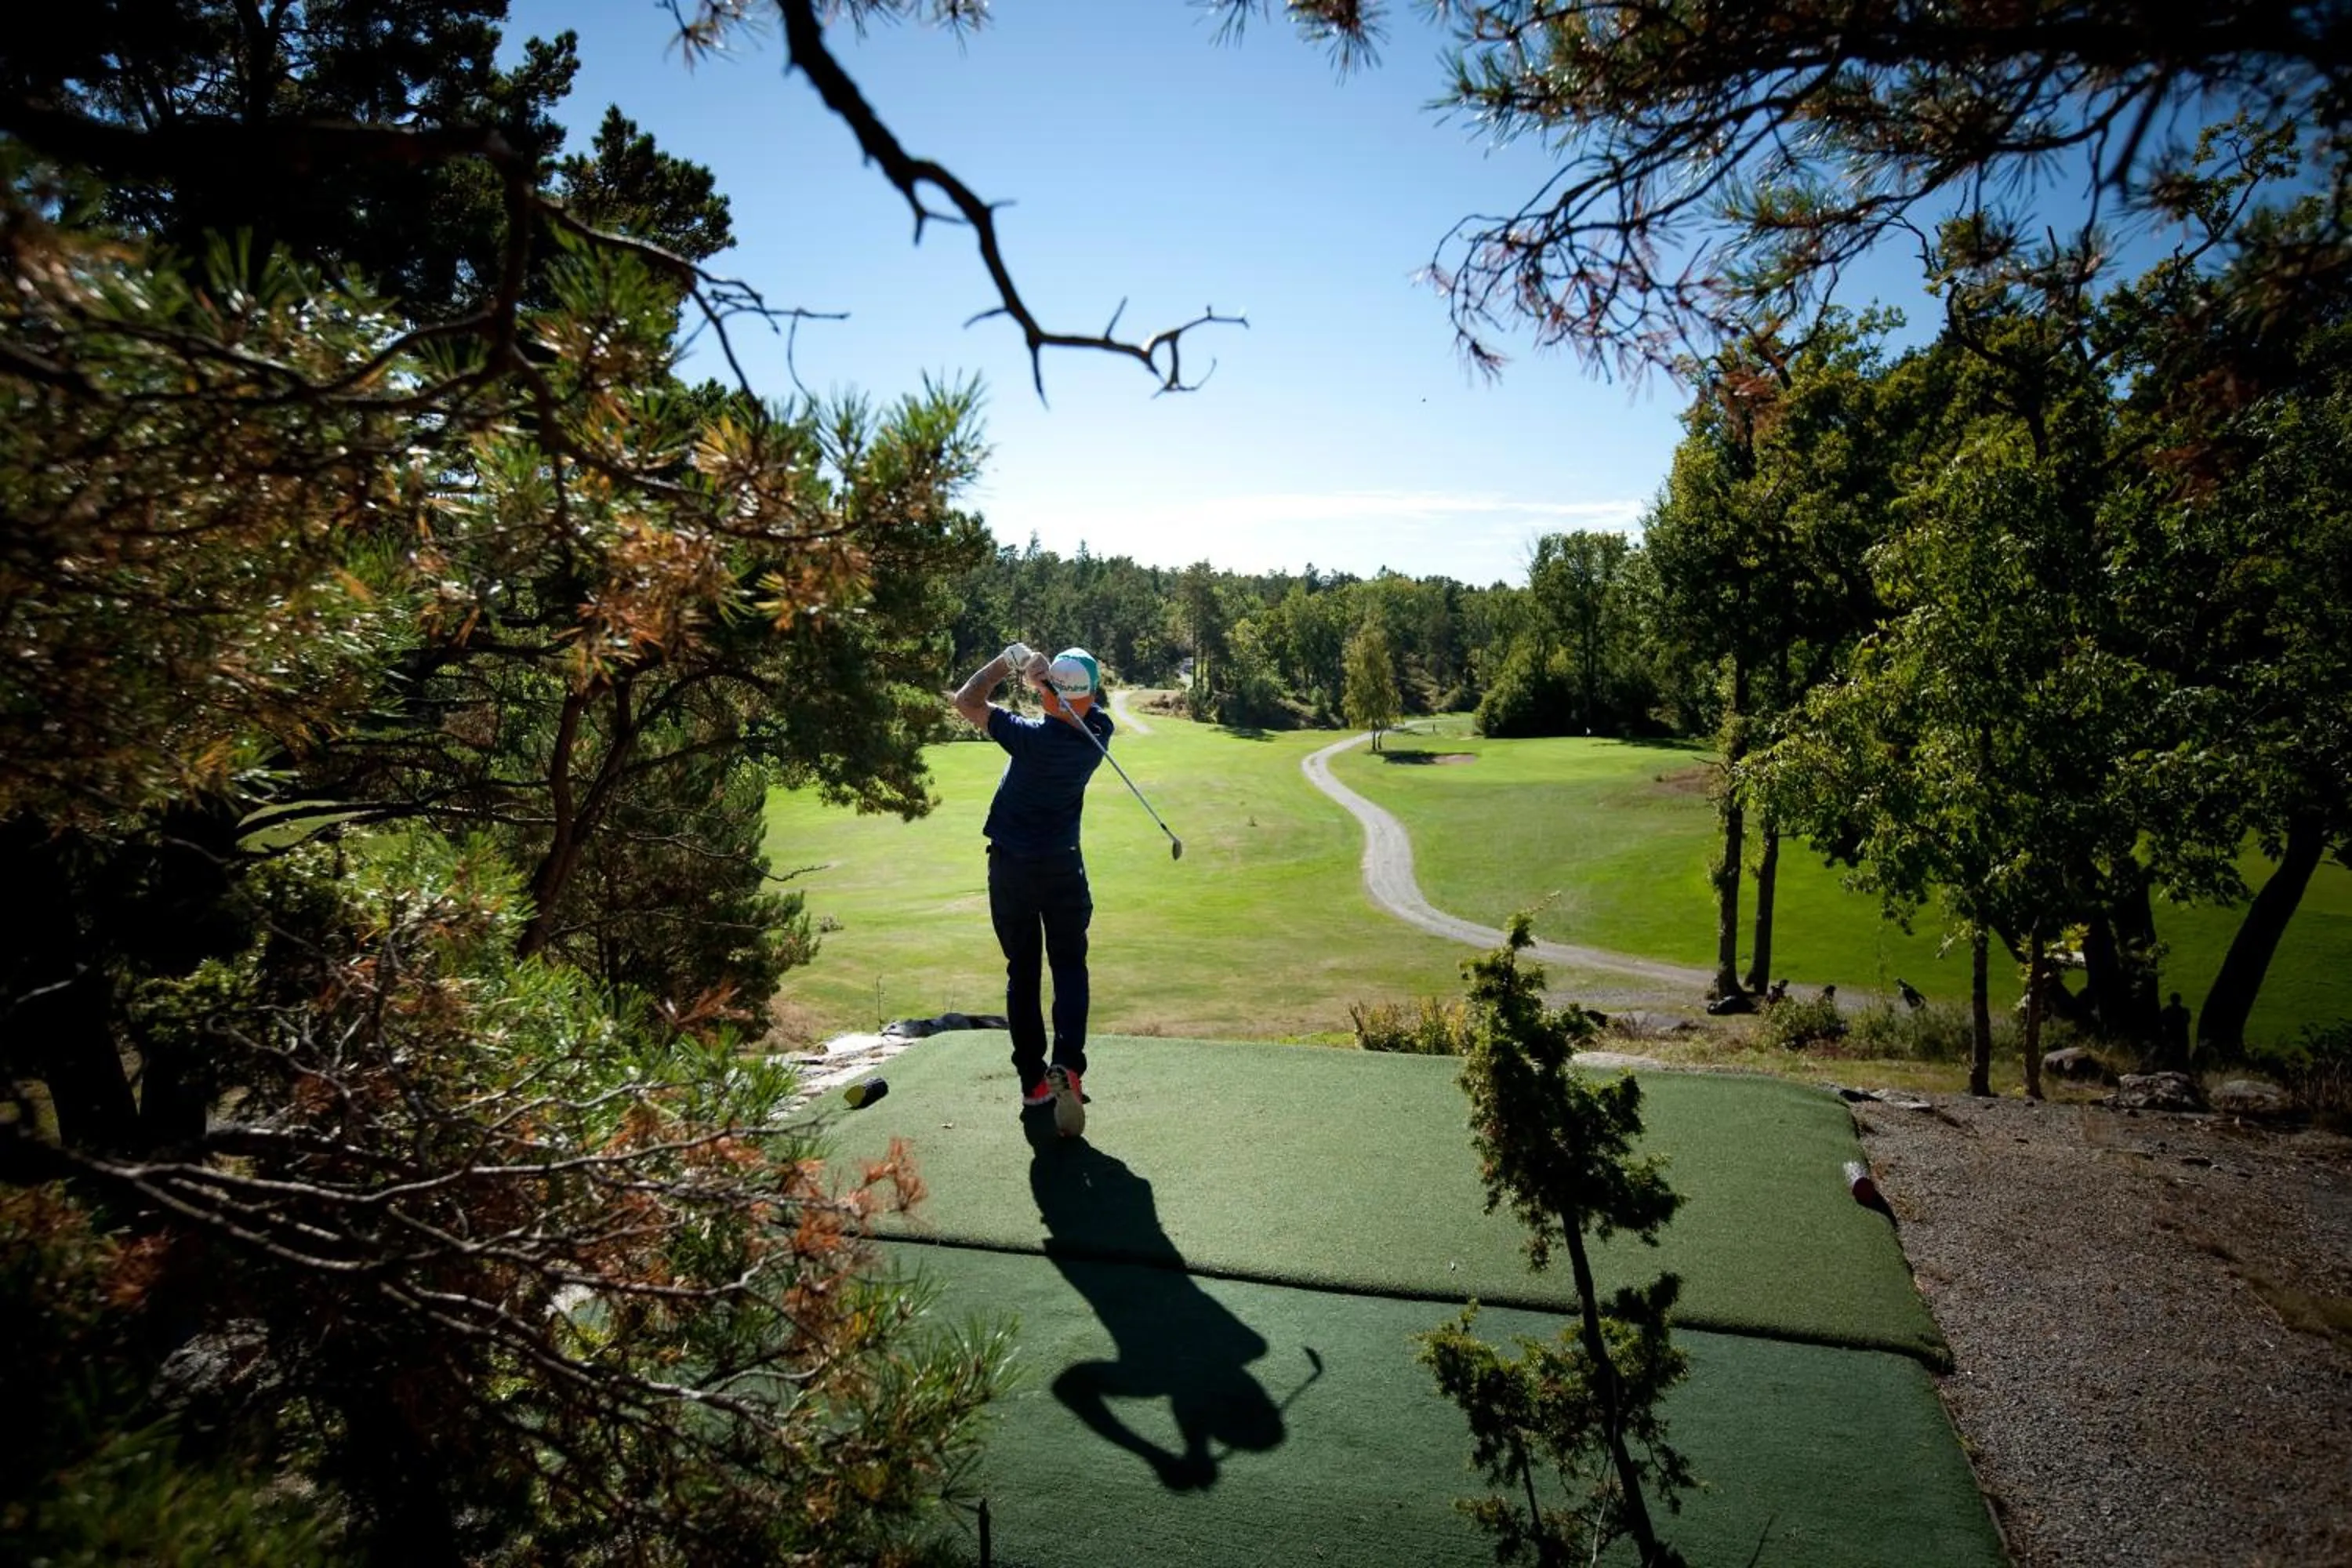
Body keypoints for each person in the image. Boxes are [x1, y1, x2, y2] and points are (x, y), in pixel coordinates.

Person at [949, 641, 1112, 1135]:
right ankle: (1069, 1065)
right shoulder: (1099, 733)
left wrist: (1008, 662)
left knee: (1022, 973)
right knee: (1070, 968)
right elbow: (1076, 707)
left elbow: (966, 700)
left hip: (1013, 869)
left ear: (1049, 694)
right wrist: (1051, 688)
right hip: (1063, 867)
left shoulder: (1027, 739)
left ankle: (1034, 1082)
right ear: (1090, 696)